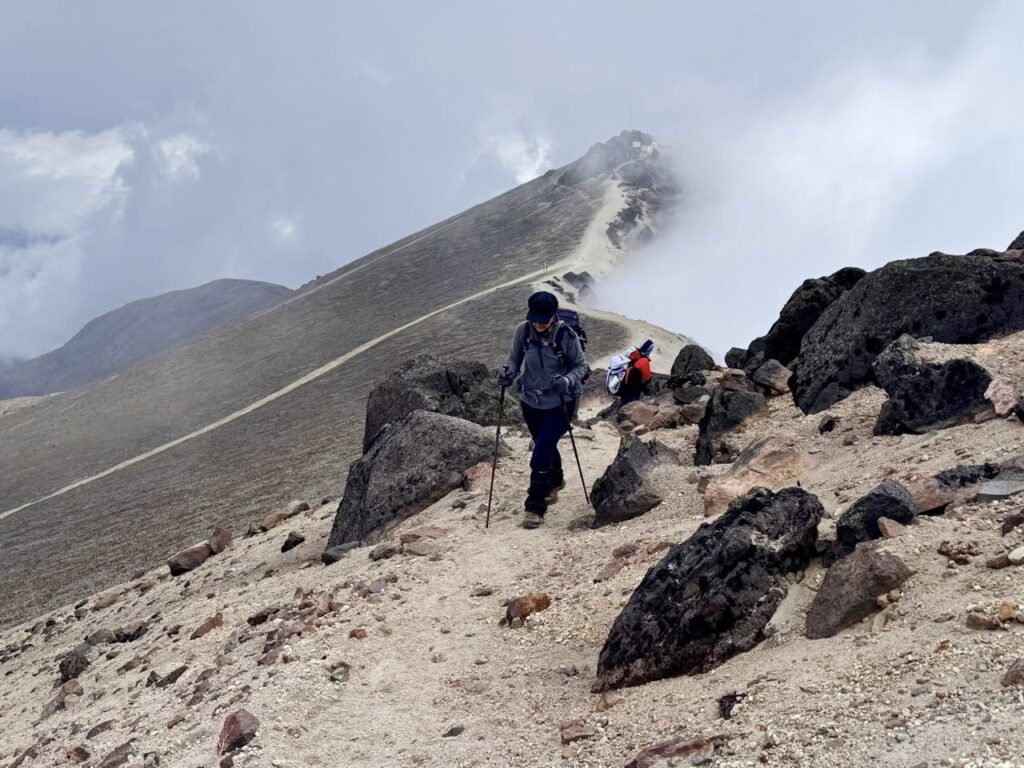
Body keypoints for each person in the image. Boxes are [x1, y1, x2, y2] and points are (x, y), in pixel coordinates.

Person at [497, 291, 589, 529]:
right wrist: (508, 372)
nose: (538, 323)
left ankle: (535, 506)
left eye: (542, 318)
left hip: (560, 404)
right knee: (545, 444)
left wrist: (567, 381)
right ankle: (555, 481)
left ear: (552, 316)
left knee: (540, 452)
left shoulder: (566, 336)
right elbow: (514, 358)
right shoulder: (523, 330)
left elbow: (581, 366)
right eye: (534, 318)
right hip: (530, 402)